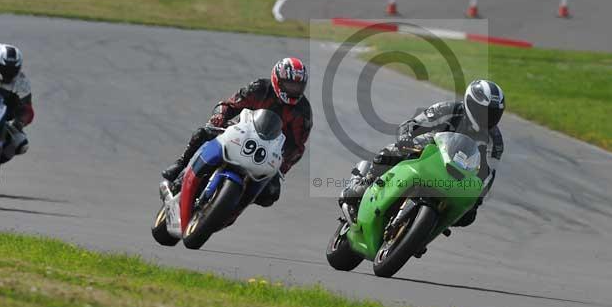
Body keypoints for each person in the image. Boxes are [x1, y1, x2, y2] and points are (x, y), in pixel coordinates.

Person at [339, 79, 505, 228]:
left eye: (494, 114)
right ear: (471, 104)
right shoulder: (449, 109)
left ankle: (424, 230)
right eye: (485, 111)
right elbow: (413, 124)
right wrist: (407, 139)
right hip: (428, 151)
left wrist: (477, 198)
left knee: (467, 216)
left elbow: (488, 174)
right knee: (391, 152)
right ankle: (365, 181)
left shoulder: (494, 140)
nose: (489, 118)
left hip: (458, 173)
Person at [162, 57, 312, 207]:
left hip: (266, 152)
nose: (293, 90)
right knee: (203, 133)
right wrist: (219, 117)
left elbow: (297, 147)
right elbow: (229, 105)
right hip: (239, 132)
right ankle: (181, 165)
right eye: (289, 84)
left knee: (270, 195)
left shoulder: (303, 112)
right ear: (277, 79)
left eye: (297, 87)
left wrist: (281, 168)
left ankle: (233, 207)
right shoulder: (259, 88)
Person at [0, 44, 33, 170]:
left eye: (13, 70)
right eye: (5, 69)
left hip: (3, 118)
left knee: (21, 144)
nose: (9, 73)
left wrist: (20, 122)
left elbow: (27, 108)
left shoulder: (21, 80)